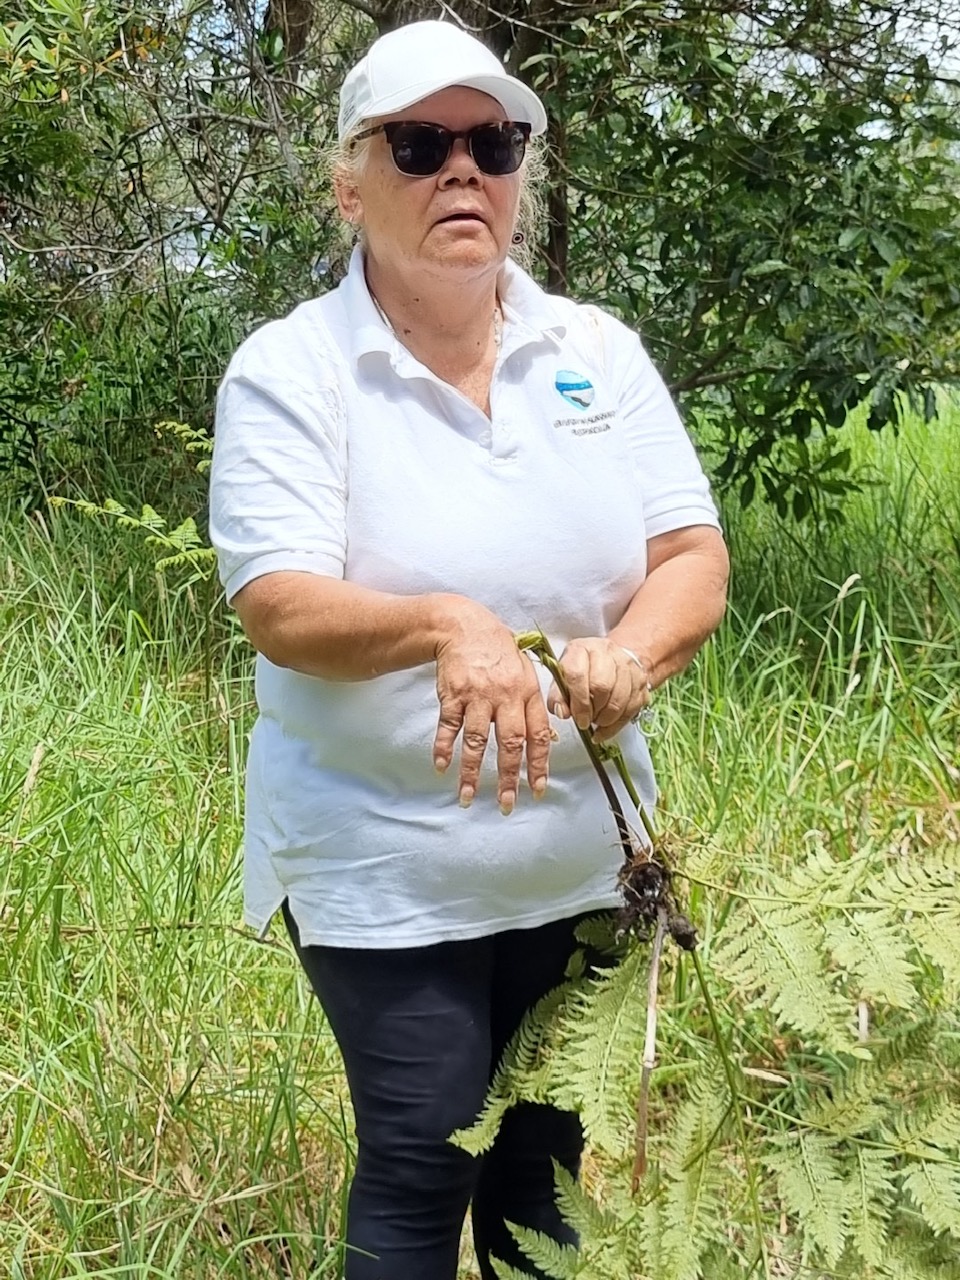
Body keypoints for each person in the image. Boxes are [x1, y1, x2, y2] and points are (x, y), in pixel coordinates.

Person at [209, 18, 729, 1280]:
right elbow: (278, 602)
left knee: (545, 1168)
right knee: (421, 1150)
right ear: (348, 183)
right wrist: (451, 622)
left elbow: (692, 558)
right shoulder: (295, 371)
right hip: (387, 862)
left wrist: (632, 660)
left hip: (586, 855)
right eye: (420, 143)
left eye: (493, 144)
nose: (463, 172)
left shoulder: (596, 355)